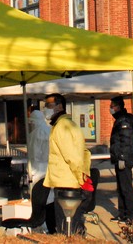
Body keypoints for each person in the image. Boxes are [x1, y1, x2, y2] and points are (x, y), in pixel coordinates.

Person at [42, 93, 92, 236]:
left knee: (66, 226)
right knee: (72, 223)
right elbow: (84, 152)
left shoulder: (62, 127)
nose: (46, 109)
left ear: (59, 106)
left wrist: (81, 177)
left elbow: (73, 157)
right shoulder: (70, 124)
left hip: (66, 182)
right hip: (69, 180)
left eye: (49, 105)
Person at [109, 96, 133, 222]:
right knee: (121, 187)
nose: (110, 109)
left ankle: (130, 215)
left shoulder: (124, 121)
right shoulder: (121, 119)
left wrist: (122, 157)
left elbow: (126, 140)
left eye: (112, 106)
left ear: (118, 107)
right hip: (119, 158)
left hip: (123, 158)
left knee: (126, 187)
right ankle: (122, 213)